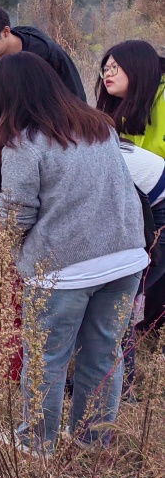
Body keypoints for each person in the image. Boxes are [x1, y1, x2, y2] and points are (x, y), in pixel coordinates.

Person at [0, 52, 146, 455]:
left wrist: (0, 252)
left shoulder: (24, 141)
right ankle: (93, 442)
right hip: (125, 259)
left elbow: (17, 213)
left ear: (8, 95)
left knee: (47, 361)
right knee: (103, 355)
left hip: (63, 271)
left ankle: (37, 444)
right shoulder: (100, 127)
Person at [0, 5, 85, 222]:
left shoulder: (47, 55)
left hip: (49, 147)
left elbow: (74, 100)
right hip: (7, 146)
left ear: (5, 32)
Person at [95, 40, 165, 338]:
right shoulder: (122, 106)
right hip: (144, 201)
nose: (106, 74)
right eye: (104, 68)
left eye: (115, 68)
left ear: (137, 69)